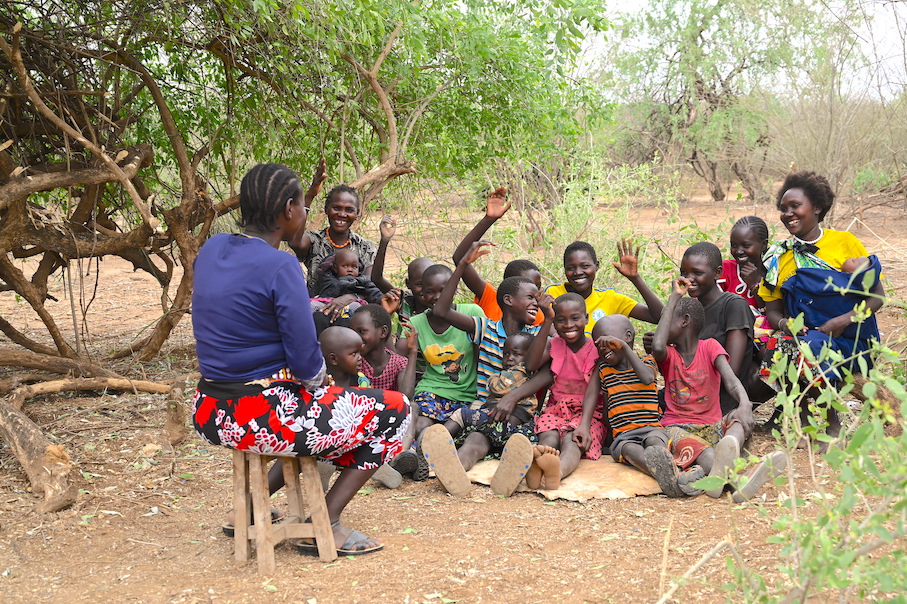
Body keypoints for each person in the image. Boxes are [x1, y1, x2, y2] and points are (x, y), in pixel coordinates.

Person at [191, 163, 411, 556]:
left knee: (334, 409)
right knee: (395, 411)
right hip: (259, 416)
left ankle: (252, 508)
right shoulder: (281, 266)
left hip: (210, 411)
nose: (306, 215)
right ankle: (325, 522)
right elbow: (308, 364)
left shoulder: (212, 248)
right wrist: (322, 382)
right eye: (304, 207)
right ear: (290, 210)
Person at [758, 171, 885, 444]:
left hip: (854, 337)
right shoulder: (779, 256)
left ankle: (832, 423)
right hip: (809, 334)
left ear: (816, 207)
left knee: (811, 346)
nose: (788, 214)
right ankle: (804, 418)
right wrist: (785, 324)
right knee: (783, 345)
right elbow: (773, 310)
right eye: (783, 208)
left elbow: (877, 298)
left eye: (795, 206)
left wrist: (841, 322)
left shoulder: (844, 243)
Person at [422, 241, 544, 496]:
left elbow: (548, 371)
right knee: (474, 444)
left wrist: (512, 398)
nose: (537, 302)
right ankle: (452, 474)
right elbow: (441, 310)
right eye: (531, 297)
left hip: (517, 416)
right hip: (485, 412)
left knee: (516, 444)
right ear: (509, 300)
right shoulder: (485, 328)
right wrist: (463, 265)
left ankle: (508, 476)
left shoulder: (537, 335)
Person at [652, 278, 784, 501]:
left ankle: (727, 451)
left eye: (668, 317)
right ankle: (738, 480)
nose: (662, 324)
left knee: (737, 420)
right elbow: (656, 344)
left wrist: (744, 405)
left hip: (713, 426)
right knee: (707, 454)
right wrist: (674, 297)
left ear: (684, 321)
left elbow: (732, 382)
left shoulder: (711, 346)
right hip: (678, 427)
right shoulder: (667, 354)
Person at [389, 264, 486, 481]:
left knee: (436, 429)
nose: (437, 296)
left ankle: (420, 453)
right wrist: (413, 350)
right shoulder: (416, 322)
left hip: (466, 394)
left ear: (454, 288)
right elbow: (397, 354)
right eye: (430, 291)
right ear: (421, 292)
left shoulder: (472, 313)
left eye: (443, 290)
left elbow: (485, 355)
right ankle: (403, 457)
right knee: (417, 414)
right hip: (433, 389)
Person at [417, 332, 542, 498]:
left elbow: (496, 387)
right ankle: (455, 473)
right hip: (497, 431)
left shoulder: (523, 371)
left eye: (517, 354)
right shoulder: (515, 371)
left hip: (510, 426)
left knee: (462, 414)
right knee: (474, 444)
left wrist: (492, 380)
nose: (510, 358)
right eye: (506, 354)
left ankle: (439, 438)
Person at [578, 315, 685, 497]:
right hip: (624, 436)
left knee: (655, 446)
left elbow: (647, 378)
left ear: (627, 336)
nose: (602, 348)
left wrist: (625, 348)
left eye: (608, 341)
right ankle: (675, 478)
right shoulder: (604, 370)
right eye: (598, 346)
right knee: (629, 450)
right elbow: (596, 398)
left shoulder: (648, 362)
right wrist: (603, 435)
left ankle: (670, 474)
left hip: (652, 429)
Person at [516, 292, 601, 490]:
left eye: (575, 318)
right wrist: (548, 321)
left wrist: (585, 425)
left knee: (574, 442)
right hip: (556, 410)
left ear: (586, 319)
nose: (568, 325)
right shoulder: (555, 345)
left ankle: (557, 472)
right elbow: (531, 364)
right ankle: (539, 465)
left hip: (587, 413)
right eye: (561, 320)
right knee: (548, 437)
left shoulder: (596, 349)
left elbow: (593, 391)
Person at [679, 243, 755, 415]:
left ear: (717, 273)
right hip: (688, 396)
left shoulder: (734, 306)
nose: (688, 279)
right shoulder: (690, 312)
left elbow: (731, 371)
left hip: (719, 403)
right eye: (684, 273)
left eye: (697, 273)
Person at [450, 186, 544, 325]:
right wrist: (488, 220)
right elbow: (460, 258)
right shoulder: (490, 298)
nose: (536, 293)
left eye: (537, 287)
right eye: (528, 287)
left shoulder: (538, 315)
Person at [545, 239, 664, 336]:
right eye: (571, 268)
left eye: (585, 266)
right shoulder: (552, 293)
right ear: (564, 269)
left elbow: (659, 317)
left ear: (596, 266)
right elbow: (539, 323)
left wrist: (635, 278)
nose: (578, 272)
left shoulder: (610, 298)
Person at [350, 304, 418, 399]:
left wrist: (413, 351)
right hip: (362, 409)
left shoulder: (398, 363)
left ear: (383, 332)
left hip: (389, 411)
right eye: (352, 332)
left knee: (413, 407)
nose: (355, 337)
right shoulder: (354, 361)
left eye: (361, 331)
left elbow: (406, 395)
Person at [309, 248, 385, 304]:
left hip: (352, 311)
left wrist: (381, 299)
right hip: (327, 307)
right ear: (335, 268)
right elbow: (324, 293)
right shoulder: (327, 280)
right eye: (345, 266)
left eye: (354, 267)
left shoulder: (363, 280)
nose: (350, 270)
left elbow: (373, 291)